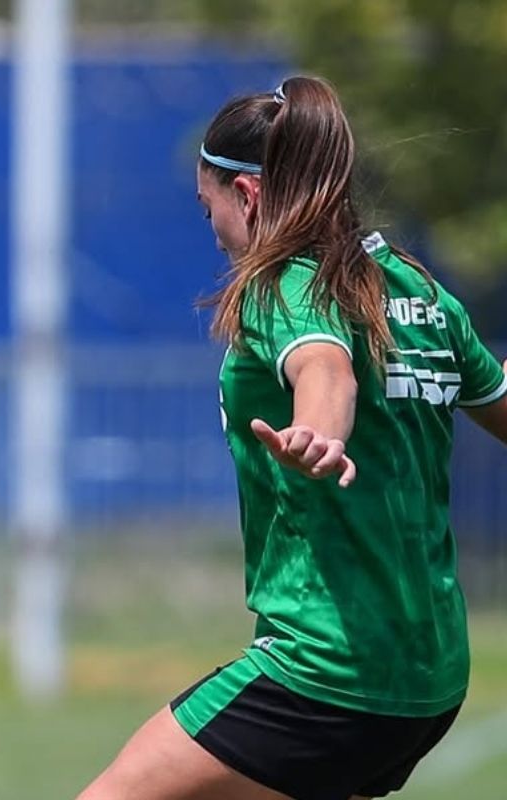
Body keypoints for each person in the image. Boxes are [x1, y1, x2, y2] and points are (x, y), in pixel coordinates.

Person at [77, 75, 507, 800]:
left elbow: (324, 366)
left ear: (245, 197)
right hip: (429, 676)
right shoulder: (422, 293)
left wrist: (318, 432)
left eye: (207, 205)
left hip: (325, 673)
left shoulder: (287, 284)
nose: (210, 227)